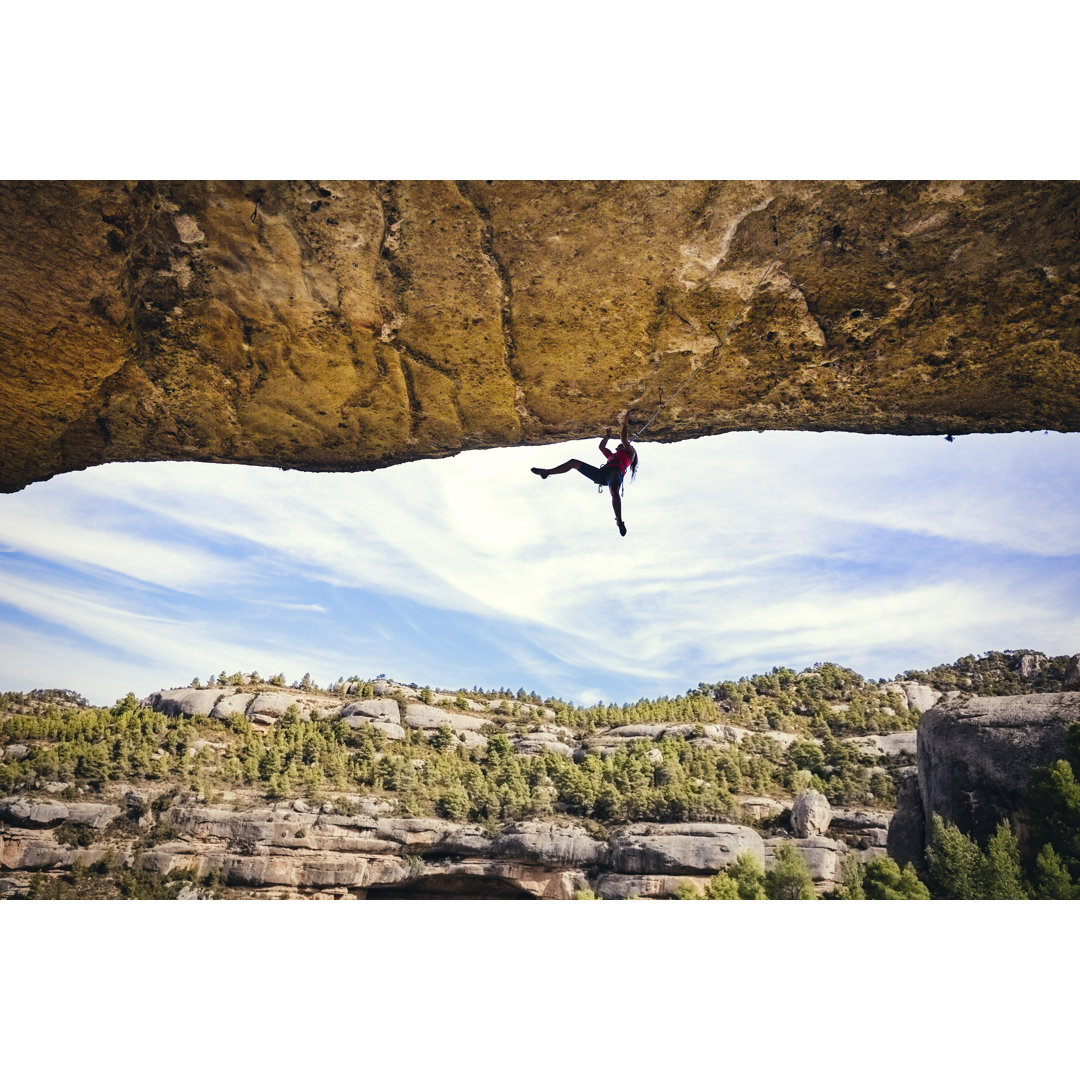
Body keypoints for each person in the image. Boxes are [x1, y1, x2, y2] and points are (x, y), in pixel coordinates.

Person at [531, 417, 639, 535]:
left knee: (614, 492)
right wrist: (607, 436)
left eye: (619, 446)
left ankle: (619, 521)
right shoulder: (612, 456)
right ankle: (546, 472)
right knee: (573, 462)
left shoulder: (630, 453)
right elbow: (601, 448)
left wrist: (624, 424)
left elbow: (624, 439)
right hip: (602, 474)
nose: (616, 447)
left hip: (615, 473)